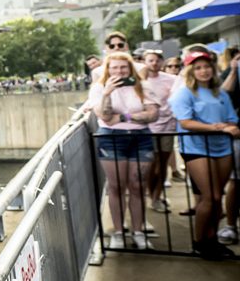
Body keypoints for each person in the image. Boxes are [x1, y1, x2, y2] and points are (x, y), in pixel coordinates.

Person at [169, 48, 240, 260]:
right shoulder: (184, 93)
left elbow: (232, 120)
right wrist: (219, 128)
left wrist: (228, 127)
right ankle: (200, 242)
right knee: (210, 197)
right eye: (198, 67)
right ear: (191, 71)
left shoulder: (220, 93)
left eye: (207, 66)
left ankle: (212, 240)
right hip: (196, 148)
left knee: (218, 198)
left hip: (222, 148)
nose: (203, 71)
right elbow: (186, 122)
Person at [89, 52, 158, 250]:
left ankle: (138, 231)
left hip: (141, 139)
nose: (119, 71)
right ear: (108, 70)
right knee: (116, 186)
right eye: (114, 67)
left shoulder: (142, 86)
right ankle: (118, 232)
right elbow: (104, 115)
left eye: (123, 68)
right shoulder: (99, 88)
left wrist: (124, 117)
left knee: (137, 186)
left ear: (130, 69)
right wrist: (107, 93)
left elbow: (153, 114)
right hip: (111, 139)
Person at [140, 49, 179, 215]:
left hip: (167, 126)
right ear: (145, 62)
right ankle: (151, 194)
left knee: (162, 164)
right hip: (148, 128)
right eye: (150, 60)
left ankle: (157, 196)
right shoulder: (140, 81)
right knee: (151, 165)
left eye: (157, 60)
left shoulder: (172, 79)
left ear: (162, 62)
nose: (154, 63)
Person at [218, 47, 239, 241]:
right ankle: (231, 226)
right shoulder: (233, 70)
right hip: (238, 135)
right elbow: (223, 95)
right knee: (236, 181)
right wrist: (233, 70)